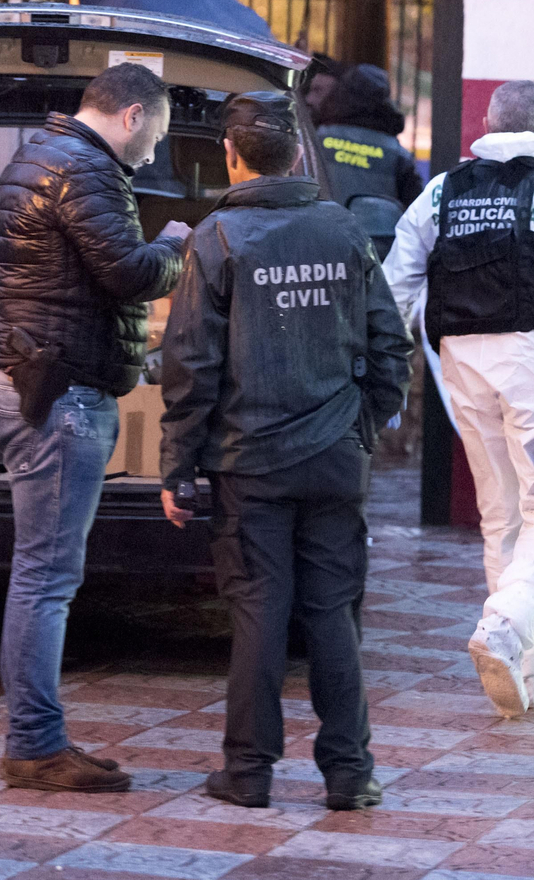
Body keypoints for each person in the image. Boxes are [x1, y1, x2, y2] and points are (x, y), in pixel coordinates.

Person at [159, 92, 413, 811]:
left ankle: (248, 773)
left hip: (250, 463)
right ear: (301, 155)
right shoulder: (343, 230)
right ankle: (349, 772)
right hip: (335, 458)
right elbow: (389, 344)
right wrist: (363, 423)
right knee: (332, 610)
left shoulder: (216, 239)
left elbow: (190, 366)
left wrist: (177, 465)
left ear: (231, 158)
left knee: (260, 610)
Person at [0, 63, 190, 793]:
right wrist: (178, 243)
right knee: (45, 580)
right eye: (157, 134)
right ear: (132, 116)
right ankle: (35, 745)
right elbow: (128, 273)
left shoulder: (37, 154)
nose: (156, 152)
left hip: (22, 382)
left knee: (38, 575)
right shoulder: (88, 170)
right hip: (60, 398)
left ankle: (37, 736)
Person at [383, 79, 534, 718]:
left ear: (484, 125)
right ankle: (505, 625)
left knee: (502, 514)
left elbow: (394, 288)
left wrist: (384, 370)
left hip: (461, 362)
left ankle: (529, 672)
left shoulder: (442, 191)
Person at [314, 63, 425, 258]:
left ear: (341, 93)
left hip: (323, 241)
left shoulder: (318, 139)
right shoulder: (396, 152)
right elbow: (416, 211)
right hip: (377, 250)